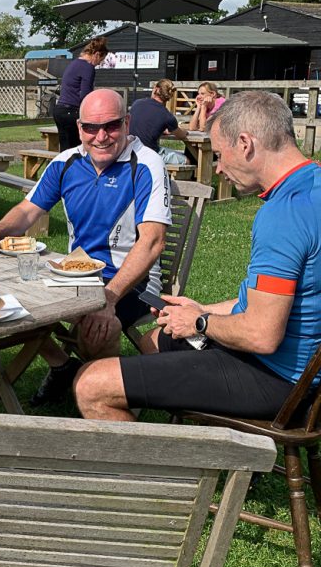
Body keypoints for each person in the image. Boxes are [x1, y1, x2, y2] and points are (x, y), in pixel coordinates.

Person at [74, 91, 321, 422]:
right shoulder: (313, 185)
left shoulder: (283, 214)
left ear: (246, 144)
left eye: (219, 154)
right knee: (157, 338)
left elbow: (261, 334)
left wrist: (200, 322)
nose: (218, 169)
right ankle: (191, 436)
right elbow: (280, 303)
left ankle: (171, 469)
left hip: (282, 381)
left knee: (89, 384)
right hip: (304, 371)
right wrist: (202, 310)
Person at [0, 88, 171, 404]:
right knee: (4, 296)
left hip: (131, 282)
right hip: (74, 275)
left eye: (111, 126)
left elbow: (153, 241)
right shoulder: (67, 162)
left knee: (96, 325)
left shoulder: (146, 163)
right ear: (79, 128)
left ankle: (102, 402)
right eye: (90, 127)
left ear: (127, 123)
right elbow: (26, 212)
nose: (101, 136)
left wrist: (108, 298)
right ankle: (62, 365)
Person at [53, 36, 109, 151]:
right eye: (100, 60)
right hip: (71, 112)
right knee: (78, 150)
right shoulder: (88, 67)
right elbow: (86, 95)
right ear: (97, 54)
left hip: (60, 110)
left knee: (65, 150)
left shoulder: (74, 64)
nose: (99, 64)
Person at [129, 79, 190, 166]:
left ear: (156, 89)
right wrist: (185, 131)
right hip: (149, 154)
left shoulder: (137, 103)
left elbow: (143, 125)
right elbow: (181, 135)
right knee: (186, 160)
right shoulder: (167, 116)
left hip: (130, 150)